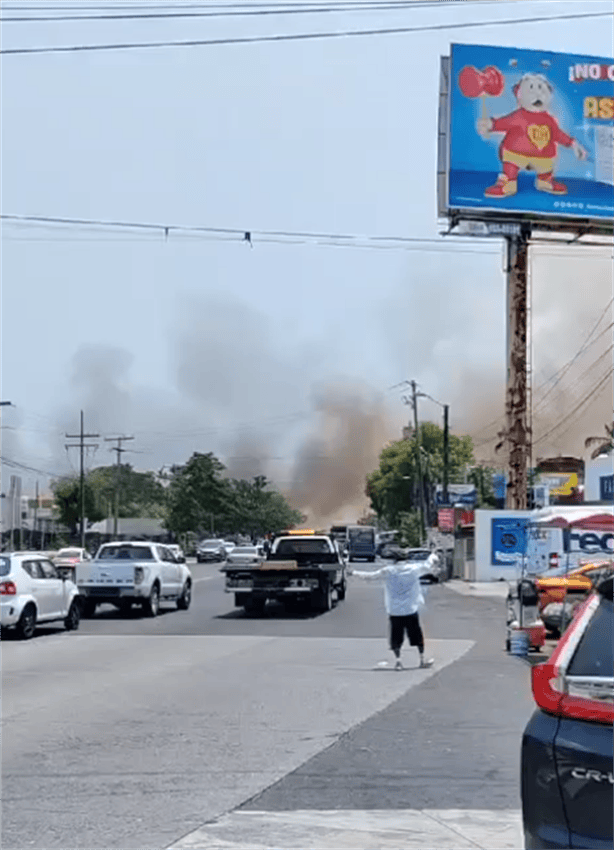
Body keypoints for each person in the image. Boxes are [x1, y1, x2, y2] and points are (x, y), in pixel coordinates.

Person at [347, 553, 438, 670]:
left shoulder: (389, 571)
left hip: (394, 610)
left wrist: (354, 572)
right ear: (406, 560)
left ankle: (398, 662)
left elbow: (371, 576)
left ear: (394, 561)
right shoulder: (414, 569)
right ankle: (421, 659)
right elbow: (428, 565)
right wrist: (433, 555)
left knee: (396, 637)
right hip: (411, 609)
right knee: (417, 636)